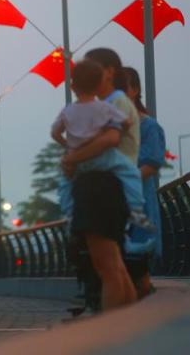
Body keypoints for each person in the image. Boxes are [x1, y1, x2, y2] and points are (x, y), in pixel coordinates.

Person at [62, 49, 139, 311]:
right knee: (114, 265)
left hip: (99, 187)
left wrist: (72, 157)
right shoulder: (109, 106)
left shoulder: (109, 104)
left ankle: (112, 334)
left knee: (107, 266)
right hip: (107, 187)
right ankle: (129, 330)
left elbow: (111, 139)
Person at [52, 59, 145, 221]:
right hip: (102, 159)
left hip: (79, 163)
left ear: (72, 87)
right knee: (130, 173)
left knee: (65, 185)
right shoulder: (104, 108)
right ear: (98, 86)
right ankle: (136, 209)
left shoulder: (67, 111)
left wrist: (69, 146)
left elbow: (55, 133)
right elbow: (126, 122)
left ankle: (69, 215)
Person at [124, 67, 166, 297]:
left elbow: (151, 164)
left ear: (136, 90)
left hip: (138, 202)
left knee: (138, 267)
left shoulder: (149, 126)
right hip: (115, 203)